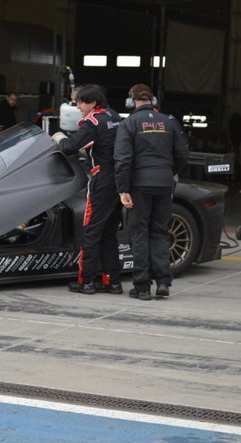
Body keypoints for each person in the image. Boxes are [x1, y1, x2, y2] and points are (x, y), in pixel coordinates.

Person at [114, 83, 189, 300]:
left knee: (139, 233)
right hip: (164, 184)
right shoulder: (169, 122)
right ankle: (163, 282)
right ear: (153, 101)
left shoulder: (128, 124)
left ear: (131, 101)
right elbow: (183, 155)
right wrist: (167, 172)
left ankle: (142, 286)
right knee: (159, 232)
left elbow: (123, 160)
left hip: (139, 186)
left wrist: (122, 189)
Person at [52, 84, 123, 295]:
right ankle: (112, 281)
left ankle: (87, 281)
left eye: (80, 102)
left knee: (91, 232)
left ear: (92, 102)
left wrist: (59, 137)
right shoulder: (114, 116)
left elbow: (69, 147)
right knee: (109, 233)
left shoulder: (93, 121)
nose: (78, 107)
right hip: (120, 180)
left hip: (101, 180)